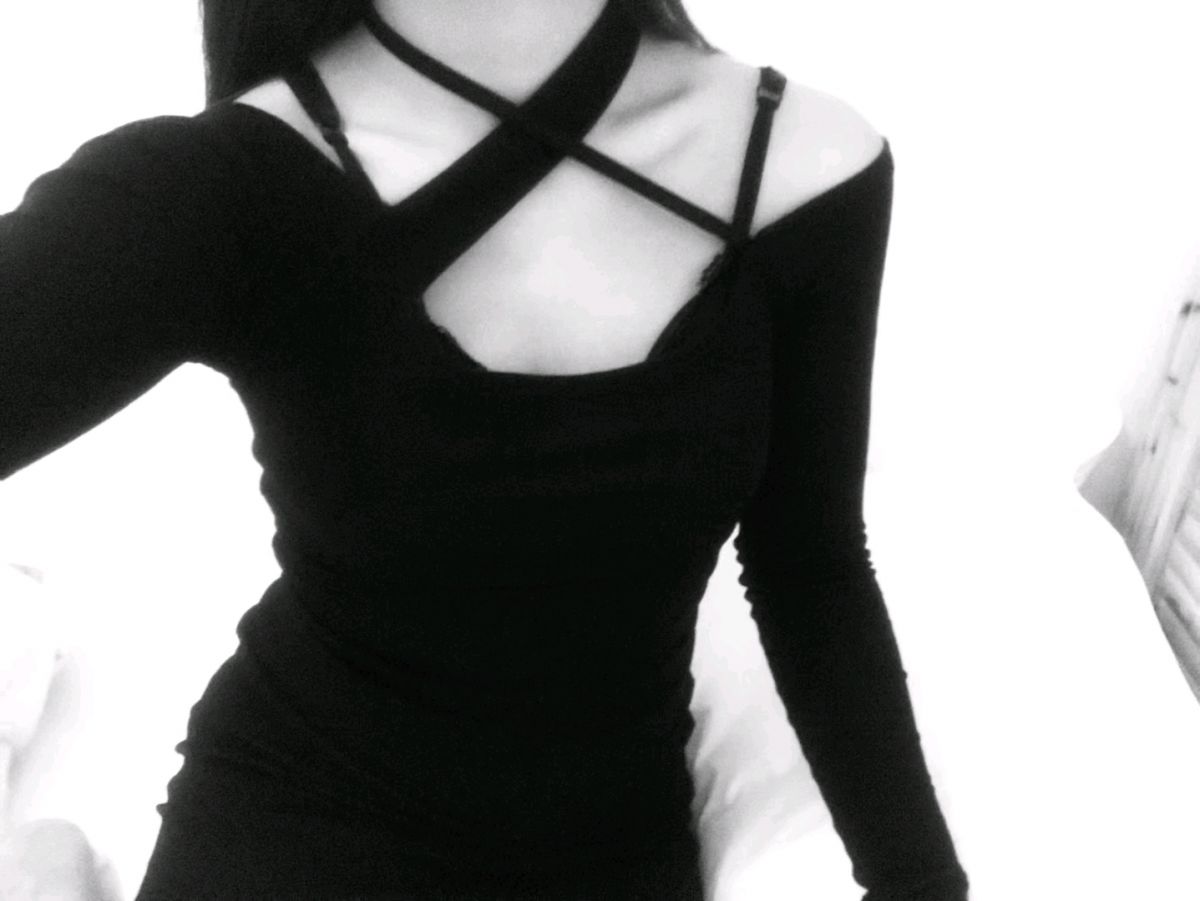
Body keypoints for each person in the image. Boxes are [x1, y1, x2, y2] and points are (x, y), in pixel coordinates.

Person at [0, 0, 970, 897]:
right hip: (297, 810)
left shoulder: (806, 166)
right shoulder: (229, 180)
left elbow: (809, 564)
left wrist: (922, 885)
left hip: (605, 847)